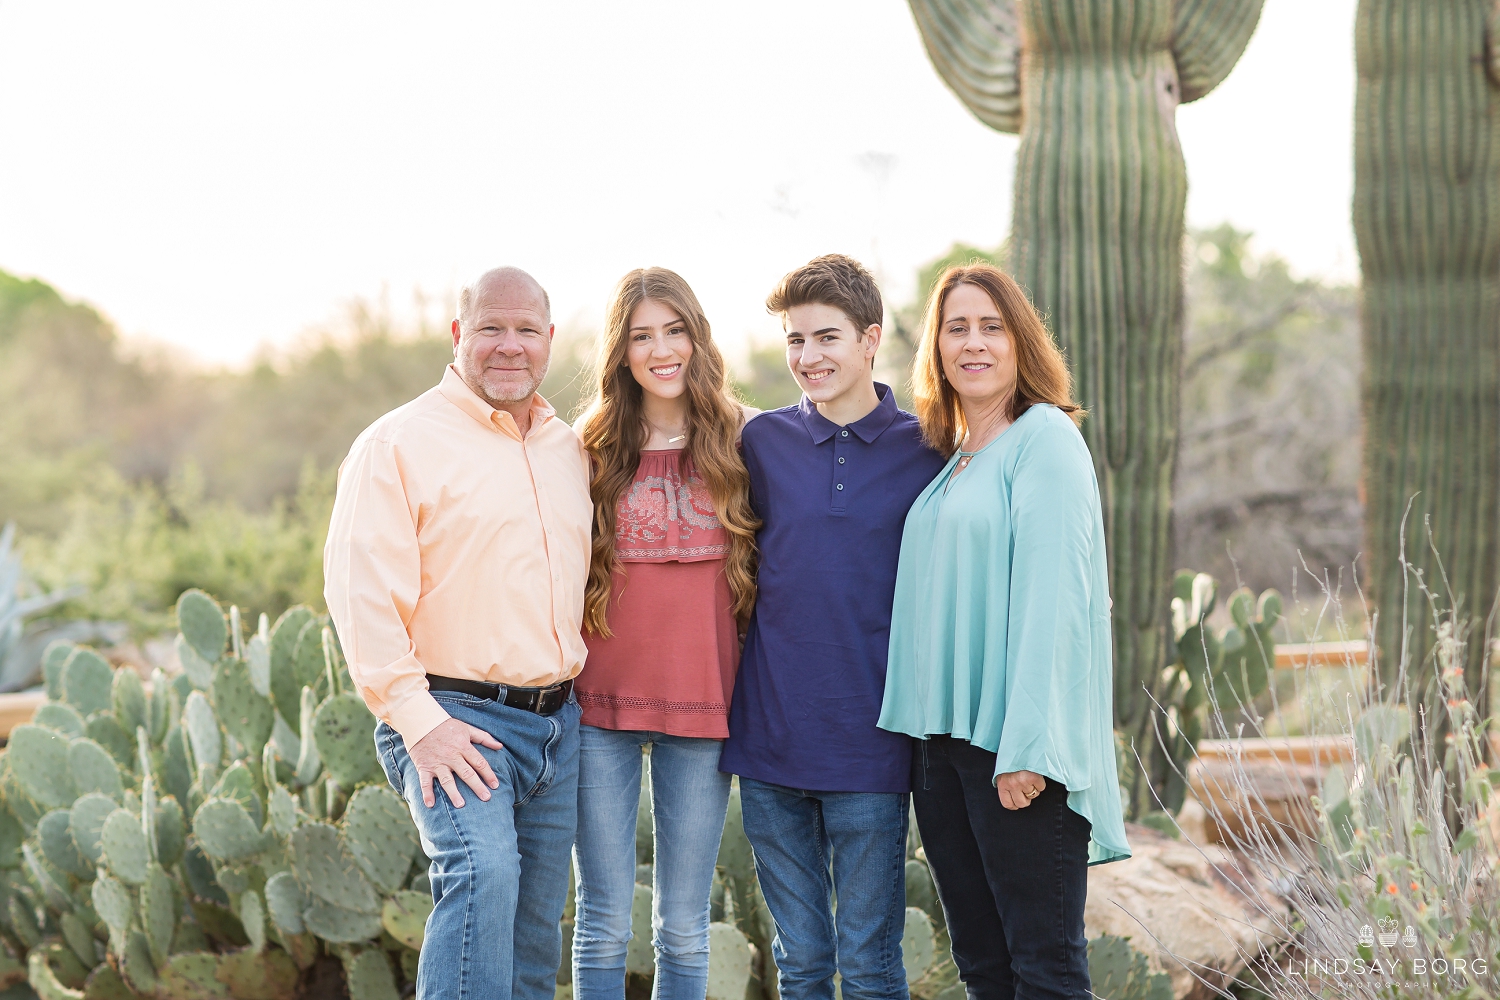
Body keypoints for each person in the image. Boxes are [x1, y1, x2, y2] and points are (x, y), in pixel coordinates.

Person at [324, 267, 591, 1000]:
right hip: (453, 717)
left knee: (535, 933)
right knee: (481, 875)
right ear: (458, 335)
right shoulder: (397, 445)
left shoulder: (567, 449)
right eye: (491, 328)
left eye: (526, 330)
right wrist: (419, 724)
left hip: (556, 726)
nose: (510, 346)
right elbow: (359, 596)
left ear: (549, 339)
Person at [879, 262, 1131, 1000]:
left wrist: (1026, 749)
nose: (974, 342)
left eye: (992, 326)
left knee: (1044, 971)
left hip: (1018, 752)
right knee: (985, 969)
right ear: (937, 347)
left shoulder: (1044, 439)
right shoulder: (958, 458)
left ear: (1022, 342)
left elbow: (1056, 603)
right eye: (956, 327)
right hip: (945, 750)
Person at [719, 254, 947, 1000]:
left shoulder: (928, 451)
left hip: (873, 744)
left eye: (826, 338)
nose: (808, 358)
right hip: (770, 739)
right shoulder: (762, 444)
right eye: (795, 341)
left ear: (870, 339)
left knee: (872, 962)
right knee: (802, 962)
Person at [570, 268, 759, 998]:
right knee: (602, 920)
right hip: (598, 707)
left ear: (696, 337)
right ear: (621, 352)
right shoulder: (587, 444)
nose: (661, 349)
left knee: (683, 924)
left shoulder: (745, 436)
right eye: (642, 335)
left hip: (704, 704)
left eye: (674, 330)